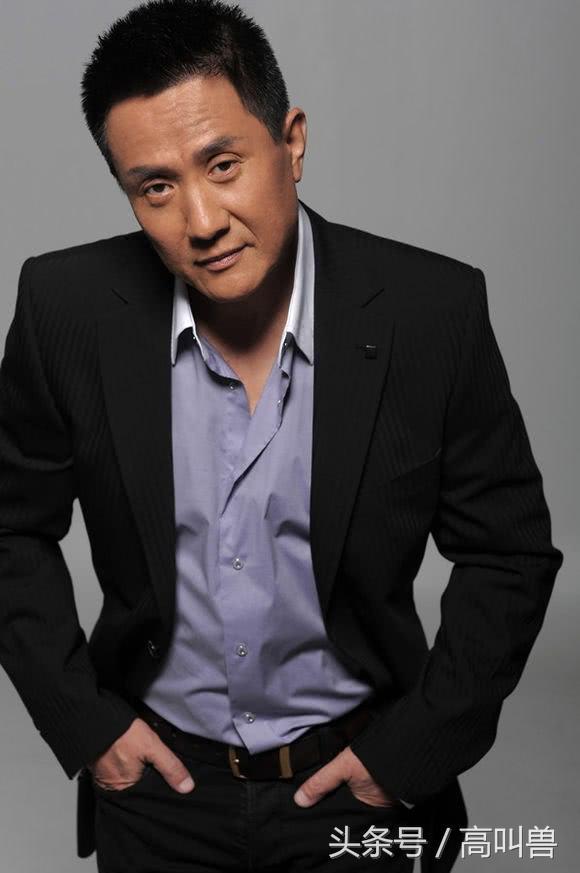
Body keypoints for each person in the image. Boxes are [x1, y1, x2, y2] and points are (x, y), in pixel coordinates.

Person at [0, 1, 564, 871]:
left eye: (222, 164)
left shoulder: (429, 312)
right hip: (157, 787)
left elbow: (510, 551)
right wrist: (86, 723)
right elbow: (9, 527)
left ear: (291, 142)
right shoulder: (64, 309)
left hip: (357, 780)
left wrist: (410, 752)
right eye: (156, 187)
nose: (201, 220)